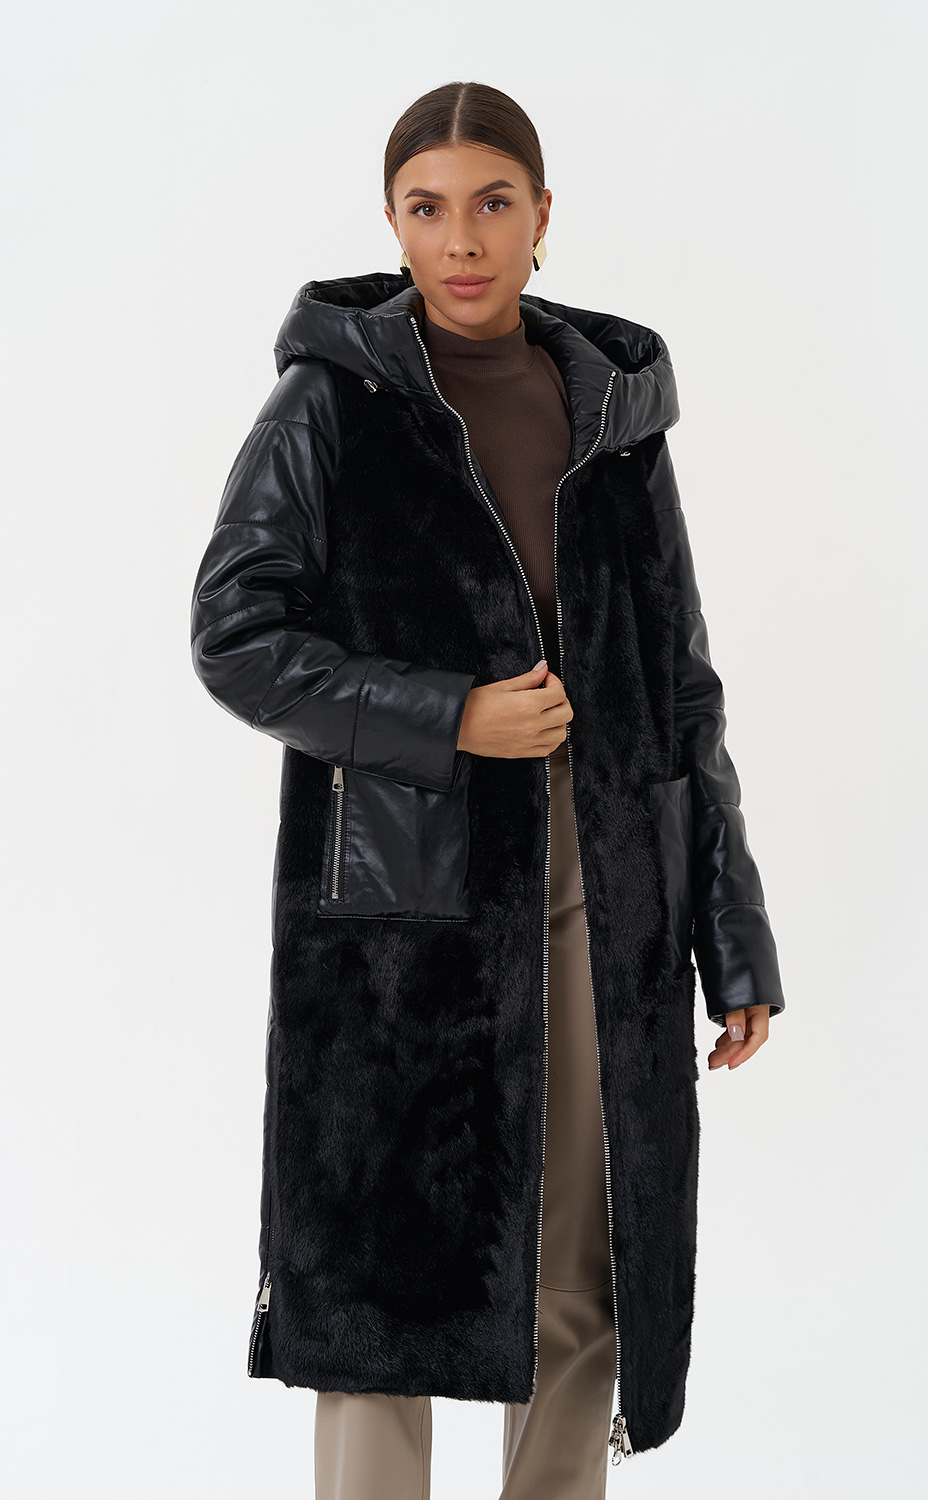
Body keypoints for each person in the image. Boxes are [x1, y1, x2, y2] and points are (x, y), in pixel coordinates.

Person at [190, 80, 786, 1499]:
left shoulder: (615, 415)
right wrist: (450, 716)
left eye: (493, 203)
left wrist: (731, 932)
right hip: (400, 906)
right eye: (429, 207)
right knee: (380, 1292)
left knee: (583, 1272)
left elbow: (681, 689)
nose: (461, 239)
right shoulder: (331, 404)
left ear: (541, 217)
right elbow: (236, 634)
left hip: (606, 883)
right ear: (393, 223)